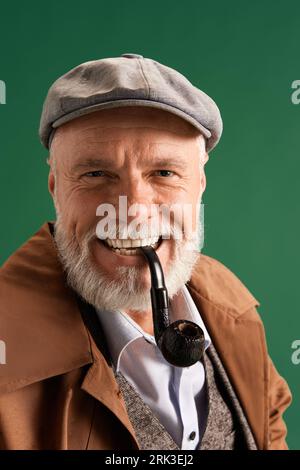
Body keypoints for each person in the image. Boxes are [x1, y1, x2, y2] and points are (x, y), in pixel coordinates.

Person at [0, 53, 292, 450]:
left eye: (164, 173)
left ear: (200, 184)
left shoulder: (233, 309)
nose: (133, 210)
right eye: (96, 174)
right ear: (55, 187)